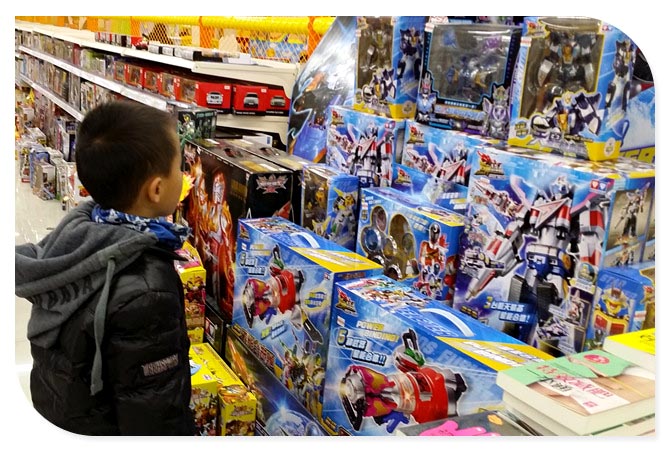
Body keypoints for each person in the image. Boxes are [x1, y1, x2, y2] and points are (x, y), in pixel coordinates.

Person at [15, 101, 195, 435]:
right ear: (156, 189)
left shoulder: (78, 234)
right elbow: (154, 415)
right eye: (179, 167)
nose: (184, 175)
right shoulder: (147, 290)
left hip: (66, 413)